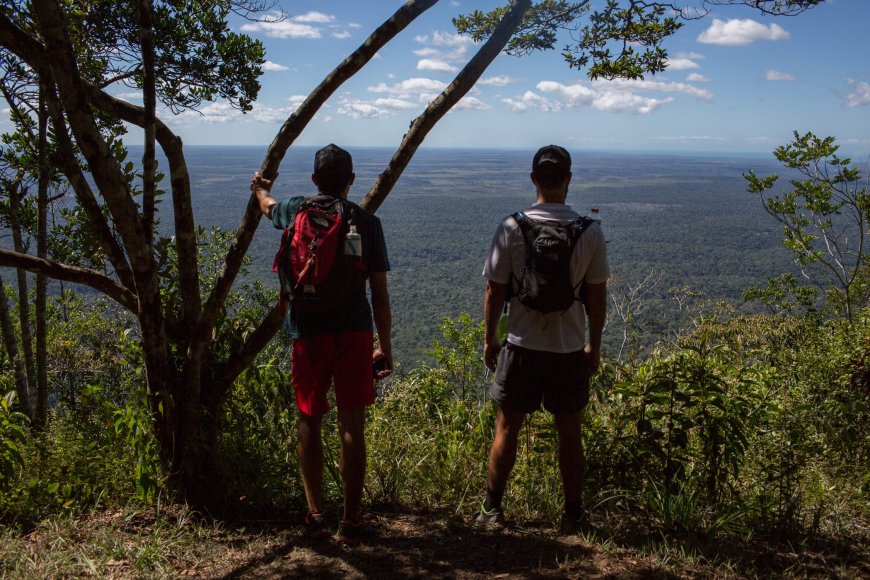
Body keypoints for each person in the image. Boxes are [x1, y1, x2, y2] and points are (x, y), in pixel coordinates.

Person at [251, 144, 393, 545]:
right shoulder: (366, 221)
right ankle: (350, 520)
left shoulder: (296, 209)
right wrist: (385, 347)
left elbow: (268, 206)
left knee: (308, 420)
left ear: (315, 180)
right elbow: (379, 294)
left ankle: (314, 516)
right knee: (352, 426)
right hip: (354, 333)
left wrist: (259, 189)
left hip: (307, 332)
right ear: (351, 180)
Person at [477, 145, 608, 530]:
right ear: (568, 179)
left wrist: (490, 340)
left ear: (534, 179)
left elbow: (494, 291)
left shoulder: (511, 227)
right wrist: (594, 346)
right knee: (570, 434)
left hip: (521, 344)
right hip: (568, 349)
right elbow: (596, 298)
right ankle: (572, 515)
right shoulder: (590, 232)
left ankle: (492, 510)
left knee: (507, 427)